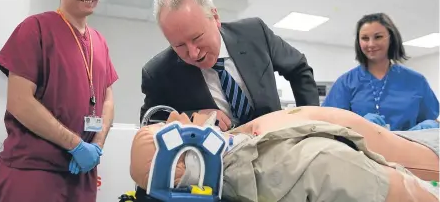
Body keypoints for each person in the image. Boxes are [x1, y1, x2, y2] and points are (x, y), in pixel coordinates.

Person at [0, 0, 119, 202]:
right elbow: (19, 102)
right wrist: (75, 144)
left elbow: (108, 100)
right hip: (34, 172)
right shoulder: (35, 28)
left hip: (81, 175)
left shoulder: (100, 42)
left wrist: (97, 146)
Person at [130, 107, 439, 202]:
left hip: (384, 135)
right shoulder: (307, 164)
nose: (181, 116)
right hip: (419, 152)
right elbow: (406, 192)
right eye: (178, 125)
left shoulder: (236, 145)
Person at [140, 0, 319, 131]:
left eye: (197, 38)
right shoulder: (157, 73)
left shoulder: (255, 33)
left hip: (273, 146)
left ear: (215, 17)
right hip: (216, 164)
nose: (193, 53)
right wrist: (191, 118)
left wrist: (310, 125)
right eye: (179, 45)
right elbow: (149, 124)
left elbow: (299, 68)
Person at [322, 13, 439, 131]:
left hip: (408, 146)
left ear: (391, 38)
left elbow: (432, 118)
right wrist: (358, 124)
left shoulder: (416, 81)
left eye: (378, 37)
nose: (371, 44)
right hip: (360, 148)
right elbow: (328, 122)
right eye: (365, 38)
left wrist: (430, 128)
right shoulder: (346, 82)